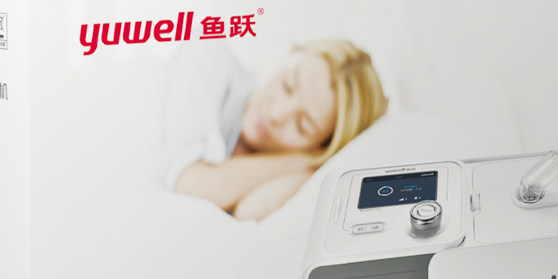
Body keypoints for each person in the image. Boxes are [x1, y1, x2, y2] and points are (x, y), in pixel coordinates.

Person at [160, 39, 388, 220]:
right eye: (287, 85)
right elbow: (189, 186)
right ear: (288, 57)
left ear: (321, 145)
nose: (276, 114)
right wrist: (302, 160)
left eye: (302, 126)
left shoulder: (293, 169)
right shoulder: (210, 54)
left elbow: (250, 212)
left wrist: (314, 162)